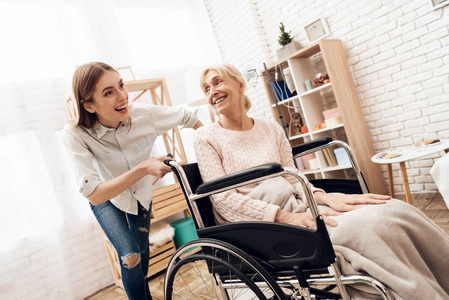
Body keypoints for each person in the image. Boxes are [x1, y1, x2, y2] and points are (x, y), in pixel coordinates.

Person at [193, 63, 449, 299]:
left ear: (240, 84)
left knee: (392, 211)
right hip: (259, 223)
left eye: (218, 82)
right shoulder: (206, 137)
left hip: (294, 202)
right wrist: (286, 217)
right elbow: (222, 200)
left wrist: (323, 197)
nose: (212, 91)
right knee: (366, 229)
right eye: (206, 88)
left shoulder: (270, 128)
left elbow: (293, 178)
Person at [63, 62, 202, 300]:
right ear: (89, 105)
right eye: (108, 92)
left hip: (140, 197)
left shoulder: (144, 115)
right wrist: (143, 168)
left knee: (142, 255)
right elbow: (94, 194)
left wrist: (213, 149)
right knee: (130, 256)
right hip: (106, 198)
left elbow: (189, 117)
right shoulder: (75, 134)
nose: (122, 96)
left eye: (121, 86)